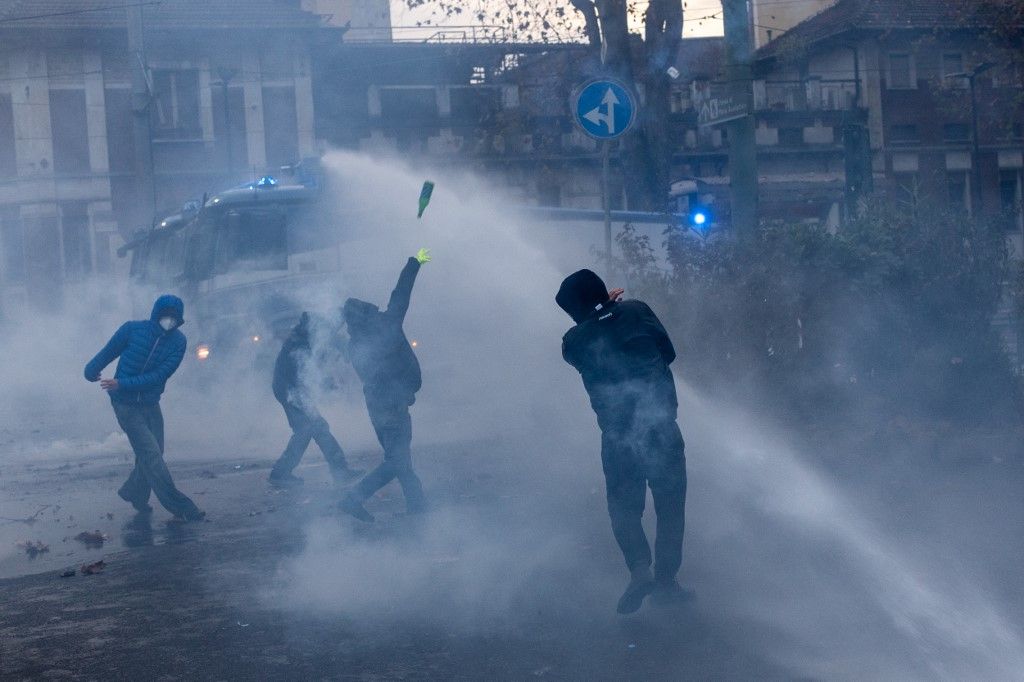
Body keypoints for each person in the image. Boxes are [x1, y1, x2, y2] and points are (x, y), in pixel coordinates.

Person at [556, 269, 689, 614]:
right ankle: (667, 581)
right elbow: (668, 353)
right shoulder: (637, 310)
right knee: (670, 510)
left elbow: (590, 336)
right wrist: (611, 310)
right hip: (662, 429)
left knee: (624, 510)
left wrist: (596, 317)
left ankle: (639, 569)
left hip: (618, 439)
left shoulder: (574, 342)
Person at [83, 295, 205, 522]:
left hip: (149, 402)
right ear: (156, 314)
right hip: (124, 404)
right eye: (165, 316)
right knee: (152, 456)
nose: (169, 321)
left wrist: (122, 383)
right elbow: (108, 351)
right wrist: (90, 371)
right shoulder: (132, 330)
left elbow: (159, 376)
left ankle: (134, 493)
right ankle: (183, 508)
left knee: (154, 451)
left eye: (174, 318)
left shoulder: (179, 342)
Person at [339, 250, 431, 522]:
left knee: (399, 457)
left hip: (378, 406)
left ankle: (418, 506)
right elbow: (401, 293)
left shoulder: (355, 343)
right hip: (391, 405)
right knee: (397, 461)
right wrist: (415, 262)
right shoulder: (385, 325)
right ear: (368, 312)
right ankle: (353, 498)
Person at [269, 311, 362, 487]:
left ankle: (282, 473)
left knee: (309, 430)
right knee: (314, 428)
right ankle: (339, 471)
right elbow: (301, 373)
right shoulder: (300, 343)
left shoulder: (301, 339)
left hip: (290, 390)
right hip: (290, 392)